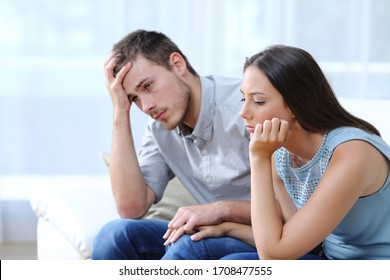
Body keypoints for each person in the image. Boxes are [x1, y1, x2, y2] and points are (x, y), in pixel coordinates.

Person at [193, 45, 390, 260]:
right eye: (244, 99)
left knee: (235, 264)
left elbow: (273, 257)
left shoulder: (352, 154)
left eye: (258, 101)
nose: (243, 113)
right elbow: (297, 241)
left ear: (297, 104)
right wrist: (227, 228)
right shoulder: (283, 154)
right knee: (193, 245)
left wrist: (259, 158)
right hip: (327, 257)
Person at [91, 29, 257, 260]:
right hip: (213, 235)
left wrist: (219, 210)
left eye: (147, 86)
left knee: (188, 246)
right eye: (134, 98)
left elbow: (296, 209)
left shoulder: (248, 108)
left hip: (267, 237)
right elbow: (131, 207)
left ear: (177, 64)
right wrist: (120, 111)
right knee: (115, 235)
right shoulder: (160, 127)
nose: (146, 107)